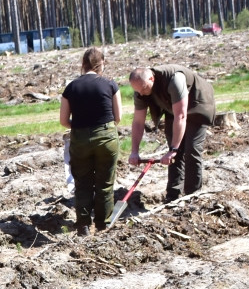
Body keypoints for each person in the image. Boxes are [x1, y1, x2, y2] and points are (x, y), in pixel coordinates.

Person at [128, 65, 216, 202]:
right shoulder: (140, 90)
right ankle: (173, 195)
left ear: (152, 78)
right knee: (174, 152)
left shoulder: (175, 79)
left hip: (198, 105)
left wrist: (174, 149)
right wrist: (134, 151)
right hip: (172, 109)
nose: (141, 93)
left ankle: (193, 195)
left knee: (191, 148)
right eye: (137, 91)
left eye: (144, 88)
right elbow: (138, 122)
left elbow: (181, 116)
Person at [59, 48, 121, 235]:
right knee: (105, 183)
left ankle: (83, 225)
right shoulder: (110, 84)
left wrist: (80, 126)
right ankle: (103, 225)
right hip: (106, 137)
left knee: (83, 182)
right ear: (102, 63)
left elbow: (63, 121)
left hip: (80, 139)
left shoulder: (71, 87)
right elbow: (117, 118)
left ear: (83, 64)